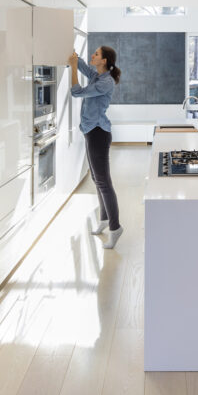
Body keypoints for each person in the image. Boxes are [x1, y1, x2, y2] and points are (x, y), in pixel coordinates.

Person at [68, 46, 123, 249]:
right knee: (96, 179)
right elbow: (83, 65)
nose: (93, 55)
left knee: (103, 182)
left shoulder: (105, 81)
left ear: (105, 60)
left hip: (99, 133)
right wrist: (73, 55)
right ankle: (105, 220)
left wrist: (72, 67)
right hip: (91, 131)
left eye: (96, 54)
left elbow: (76, 92)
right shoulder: (97, 75)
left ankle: (116, 228)